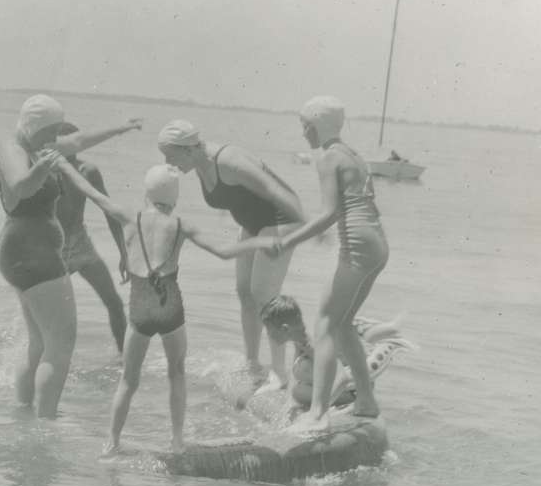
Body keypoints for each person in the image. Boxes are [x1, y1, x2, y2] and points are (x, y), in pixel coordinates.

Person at [59, 162, 280, 453]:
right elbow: (224, 252)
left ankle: (112, 442)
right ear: (174, 198)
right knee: (176, 373)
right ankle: (177, 440)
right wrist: (261, 241)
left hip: (140, 306)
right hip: (170, 307)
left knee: (128, 379)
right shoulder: (181, 225)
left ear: (146, 193)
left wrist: (63, 163)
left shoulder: (129, 216)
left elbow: (89, 191)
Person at [0, 95, 141, 418]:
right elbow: (20, 186)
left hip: (26, 251)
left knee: (39, 343)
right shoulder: (13, 149)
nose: (54, 140)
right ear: (32, 126)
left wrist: (122, 128)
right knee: (60, 345)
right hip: (32, 253)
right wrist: (44, 166)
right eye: (49, 132)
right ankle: (46, 422)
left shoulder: (37, 145)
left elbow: (80, 140)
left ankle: (23, 414)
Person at [156, 120, 305, 391]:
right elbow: (236, 197)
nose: (168, 163)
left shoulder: (229, 161)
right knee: (244, 293)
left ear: (187, 148)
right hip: (252, 225)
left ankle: (280, 374)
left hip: (280, 221)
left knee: (265, 297)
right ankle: (252, 365)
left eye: (170, 156)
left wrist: (305, 228)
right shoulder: (200, 164)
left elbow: (276, 191)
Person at [273, 96, 390, 431]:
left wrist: (287, 242)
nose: (303, 132)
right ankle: (365, 401)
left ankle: (318, 413)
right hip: (378, 244)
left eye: (304, 126)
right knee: (342, 323)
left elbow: (328, 215)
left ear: (316, 125)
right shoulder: (353, 154)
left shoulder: (326, 157)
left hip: (357, 244)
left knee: (324, 325)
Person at [260, 295, 407, 420]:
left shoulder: (313, 345)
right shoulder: (299, 339)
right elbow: (294, 378)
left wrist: (319, 412)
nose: (268, 335)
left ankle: (348, 407)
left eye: (269, 330)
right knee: (297, 389)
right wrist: (288, 404)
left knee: (303, 372)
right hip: (342, 386)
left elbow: (340, 376)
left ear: (285, 329)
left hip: (352, 390)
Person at [54, 122, 129, 353]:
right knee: (55, 315)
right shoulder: (46, 171)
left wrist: (123, 252)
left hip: (81, 245)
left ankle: (124, 360)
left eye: (77, 141)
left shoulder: (88, 171)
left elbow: (108, 210)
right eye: (65, 142)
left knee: (114, 303)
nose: (73, 148)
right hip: (52, 249)